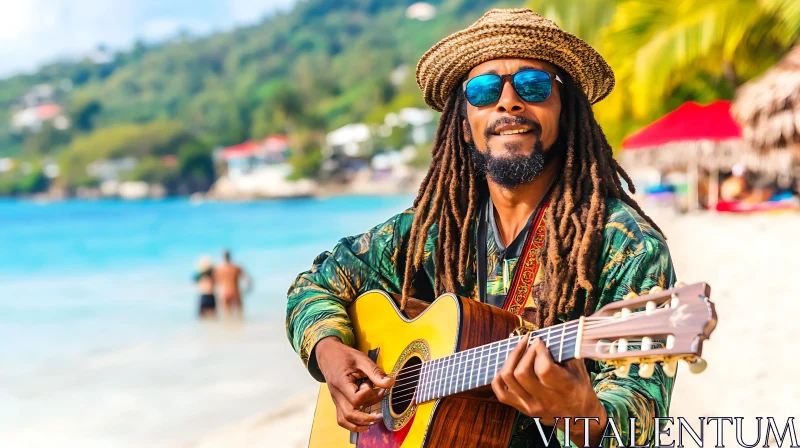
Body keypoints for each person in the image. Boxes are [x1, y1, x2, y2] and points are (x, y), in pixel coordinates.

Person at [286, 8, 675, 447]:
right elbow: (314, 284)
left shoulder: (625, 245)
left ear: (564, 110)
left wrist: (583, 416)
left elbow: (641, 416)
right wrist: (330, 353)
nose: (508, 102)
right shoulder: (433, 233)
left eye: (533, 85)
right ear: (463, 121)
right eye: (485, 90)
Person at [214, 249, 252, 318]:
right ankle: (240, 327)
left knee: (227, 315)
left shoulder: (219, 269)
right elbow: (248, 279)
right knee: (240, 314)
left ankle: (229, 328)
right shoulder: (236, 268)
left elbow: (215, 282)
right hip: (235, 292)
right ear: (230, 256)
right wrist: (248, 289)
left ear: (222, 257)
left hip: (225, 292)